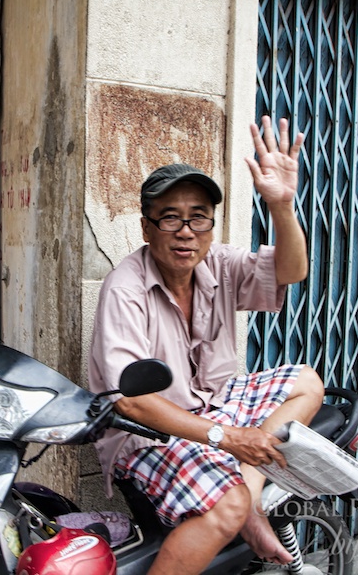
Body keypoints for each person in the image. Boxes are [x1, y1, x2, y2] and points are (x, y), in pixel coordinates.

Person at [88, 116, 325, 574]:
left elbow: (292, 272)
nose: (186, 231)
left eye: (198, 217)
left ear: (211, 226)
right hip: (150, 435)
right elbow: (133, 403)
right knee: (226, 505)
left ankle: (252, 499)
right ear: (146, 227)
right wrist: (228, 438)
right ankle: (243, 507)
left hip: (214, 403)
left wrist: (281, 206)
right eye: (170, 217)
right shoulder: (125, 288)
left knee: (307, 382)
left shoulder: (218, 262)